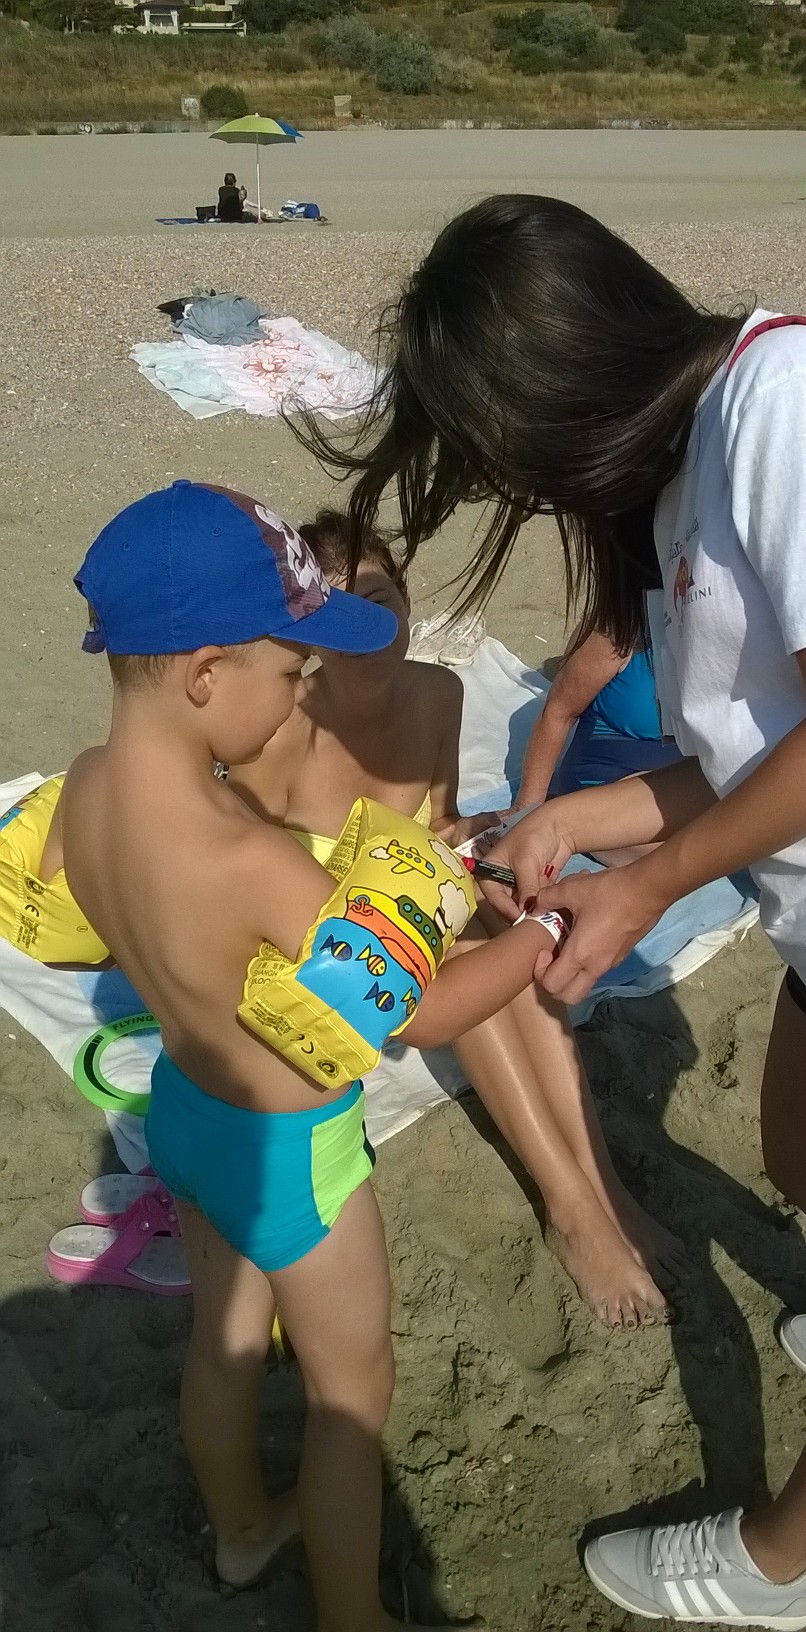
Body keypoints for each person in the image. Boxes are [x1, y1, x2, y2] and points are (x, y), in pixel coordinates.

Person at [293, 195, 806, 1628]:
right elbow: (761, 748)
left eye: (505, 457)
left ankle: (773, 1568)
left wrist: (648, 883)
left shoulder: (785, 400)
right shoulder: (683, 480)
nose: (523, 492)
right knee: (798, 1157)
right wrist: (578, 823)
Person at [54, 479, 576, 1632]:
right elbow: (421, 1014)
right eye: (292, 670)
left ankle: (243, 1533)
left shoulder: (83, 791)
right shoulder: (251, 860)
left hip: (186, 1114)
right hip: (294, 1159)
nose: (305, 690)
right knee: (352, 1395)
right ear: (205, 674)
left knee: (227, 1342)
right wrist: (540, 934)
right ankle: (354, 1617)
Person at [229, 510, 683, 1329]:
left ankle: (605, 1188)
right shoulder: (286, 732)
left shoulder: (440, 693)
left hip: (411, 896)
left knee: (506, 936)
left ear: (406, 600)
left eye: (381, 601)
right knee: (464, 952)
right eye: (339, 612)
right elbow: (243, 862)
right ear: (308, 630)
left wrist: (475, 838)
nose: (367, 629)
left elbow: (435, 825)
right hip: (327, 931)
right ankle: (572, 1207)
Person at [515, 623, 680, 811]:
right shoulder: (617, 630)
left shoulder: (703, 638)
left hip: (680, 780)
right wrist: (526, 807)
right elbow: (558, 712)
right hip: (606, 776)